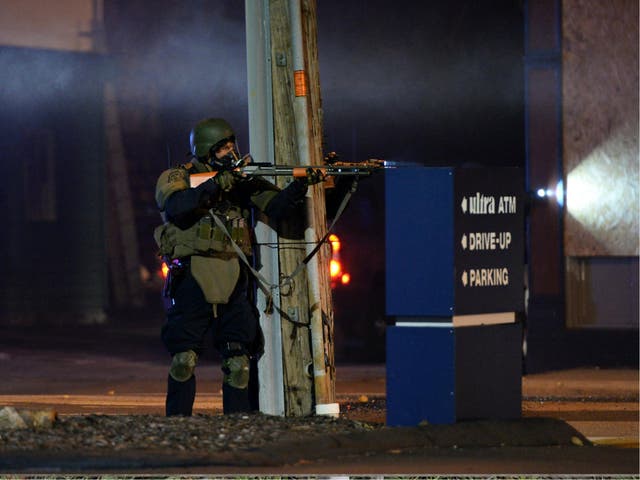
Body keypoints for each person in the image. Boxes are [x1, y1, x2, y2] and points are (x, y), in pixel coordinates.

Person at [154, 117, 321, 416]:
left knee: (239, 362)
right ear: (207, 150)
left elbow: (276, 206)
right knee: (184, 359)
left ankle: (239, 425)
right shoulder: (178, 174)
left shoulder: (241, 179)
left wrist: (298, 187)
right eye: (223, 148)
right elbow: (176, 207)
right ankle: (176, 424)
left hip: (234, 273)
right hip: (194, 274)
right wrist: (216, 184)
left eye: (232, 146)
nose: (231, 152)